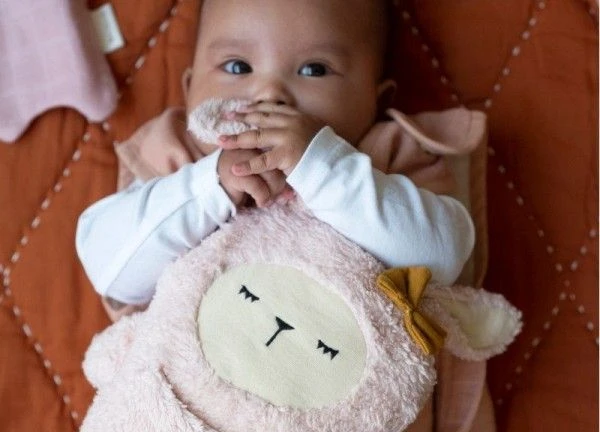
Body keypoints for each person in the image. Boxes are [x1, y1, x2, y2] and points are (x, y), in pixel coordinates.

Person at [76, 0, 475, 308]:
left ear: (377, 101)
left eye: (314, 69)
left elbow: (443, 260)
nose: (270, 93)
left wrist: (323, 170)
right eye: (237, 66)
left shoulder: (385, 157)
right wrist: (208, 187)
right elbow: (107, 268)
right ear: (190, 89)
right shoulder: (176, 156)